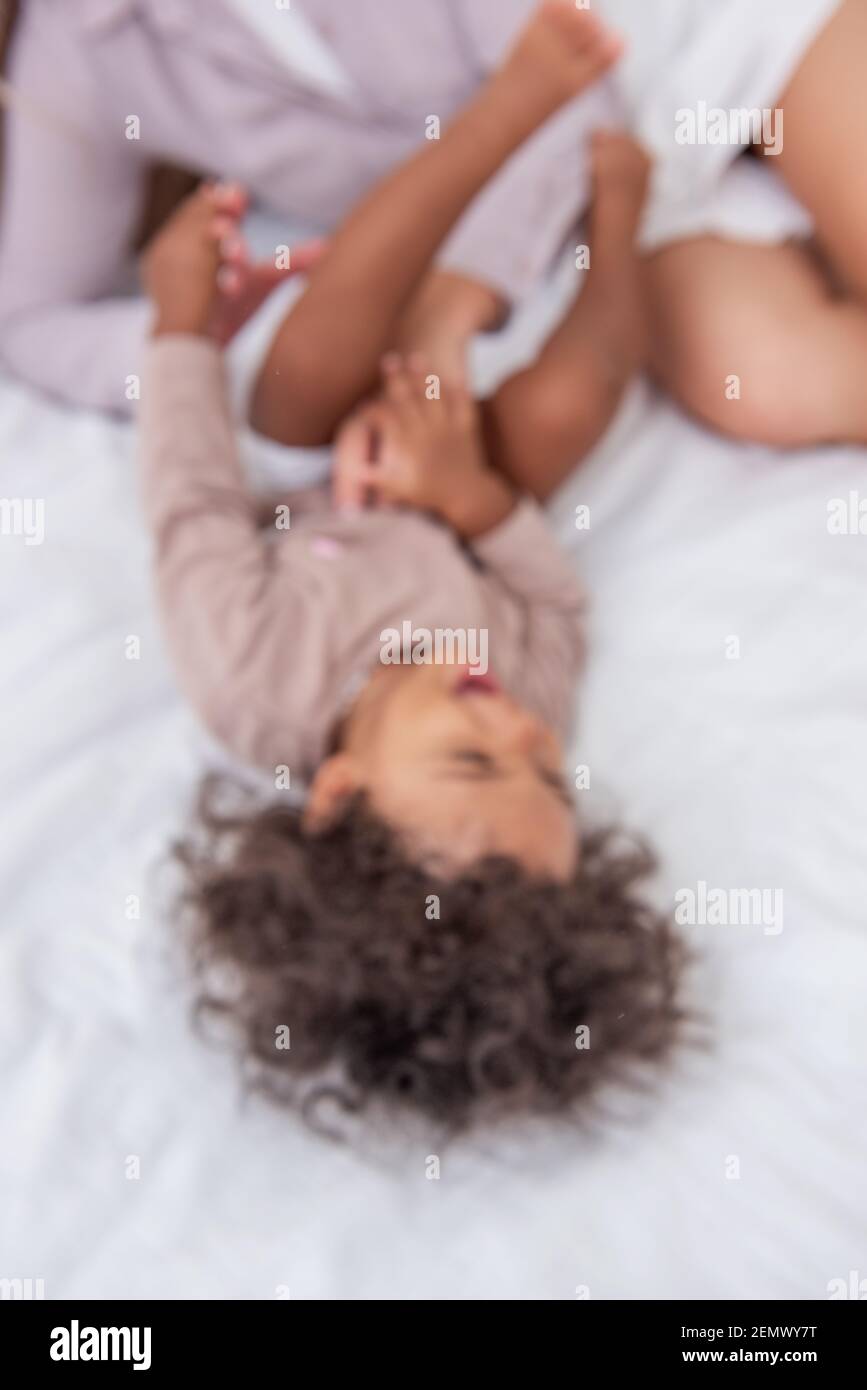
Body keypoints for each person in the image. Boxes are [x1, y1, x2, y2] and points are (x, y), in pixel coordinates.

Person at [139, 3, 681, 1130]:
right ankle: (621, 212)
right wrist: (465, 495)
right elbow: (549, 595)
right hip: (459, 481)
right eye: (549, 777)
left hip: (321, 455)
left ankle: (505, 114)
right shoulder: (522, 695)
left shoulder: (254, 680)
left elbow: (196, 504)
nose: (524, 735)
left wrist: (181, 329)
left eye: (478, 767)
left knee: (310, 363)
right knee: (572, 404)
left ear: (338, 795)